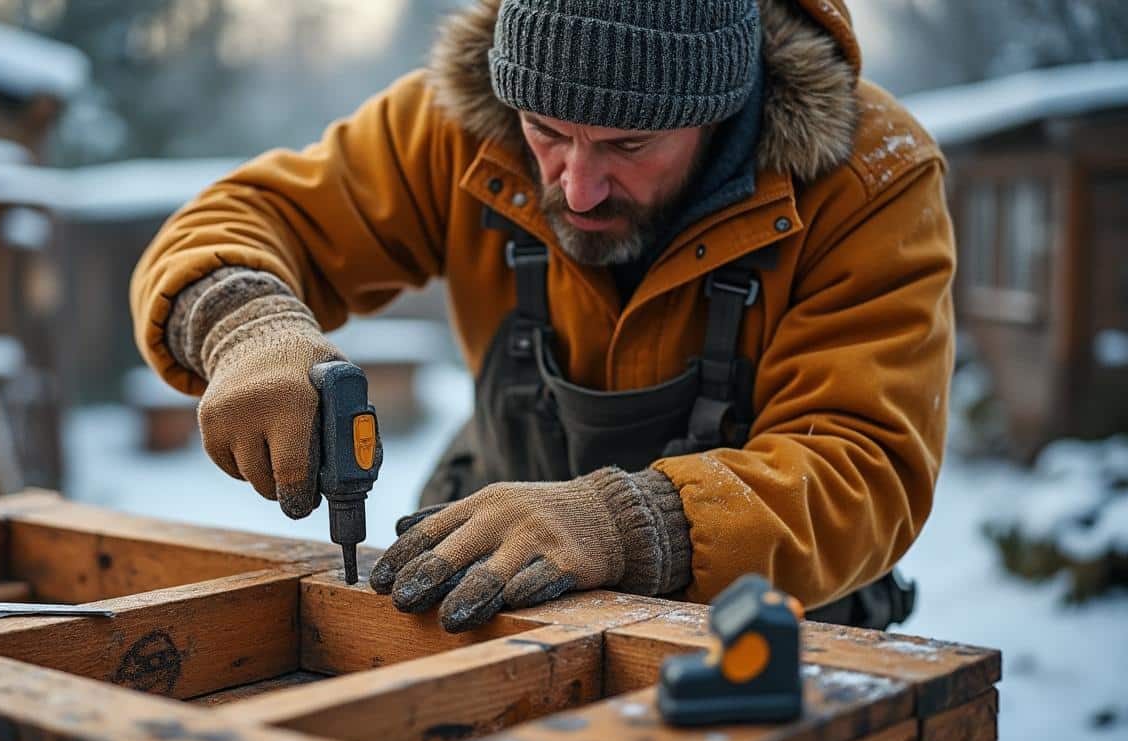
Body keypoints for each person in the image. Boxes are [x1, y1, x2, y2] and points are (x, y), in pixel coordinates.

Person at [130, 0, 954, 633]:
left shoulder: (868, 180)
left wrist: (628, 524)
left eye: (629, 146)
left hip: (759, 634)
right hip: (489, 595)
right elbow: (243, 219)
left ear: (725, 105)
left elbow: (861, 465)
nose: (577, 185)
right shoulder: (458, 122)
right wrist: (246, 326)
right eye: (547, 133)